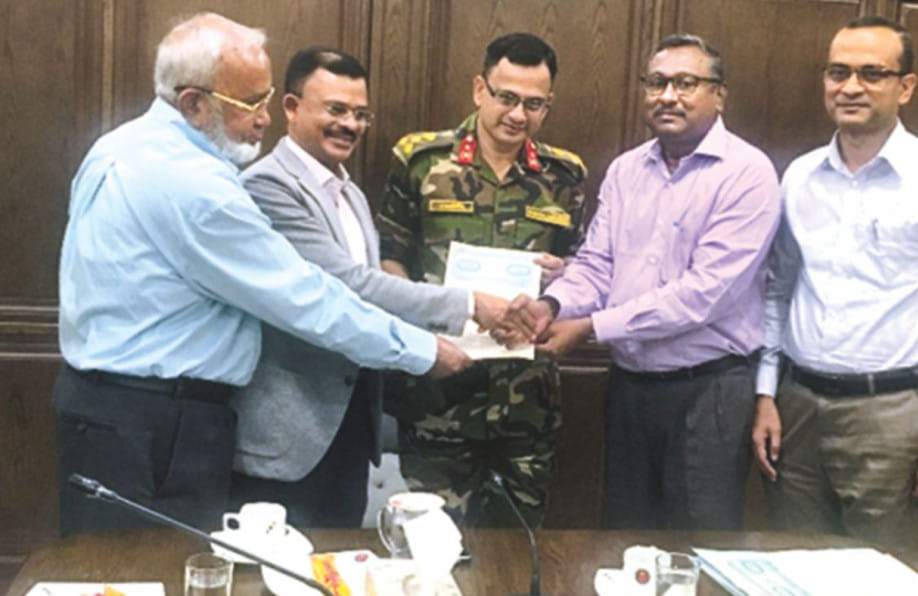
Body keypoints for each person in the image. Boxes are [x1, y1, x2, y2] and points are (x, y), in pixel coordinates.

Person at [54, 13, 471, 536]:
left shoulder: (116, 146)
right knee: (156, 568)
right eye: (250, 103)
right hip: (159, 422)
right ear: (193, 103)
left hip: (104, 407)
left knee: (108, 568)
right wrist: (421, 350)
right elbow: (304, 298)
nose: (265, 119)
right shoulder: (197, 187)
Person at [751, 16, 918, 556]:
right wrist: (766, 393)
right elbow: (777, 290)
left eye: (872, 73)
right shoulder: (799, 176)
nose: (850, 87)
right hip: (797, 409)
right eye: (838, 72)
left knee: (881, 574)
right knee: (792, 569)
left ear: (905, 86)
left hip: (892, 416)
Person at [501, 33, 780, 529]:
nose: (667, 96)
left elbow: (702, 295)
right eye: (656, 83)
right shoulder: (626, 169)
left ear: (719, 95)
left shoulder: (748, 174)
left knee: (699, 542)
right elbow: (596, 264)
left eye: (685, 83)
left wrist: (591, 326)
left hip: (709, 391)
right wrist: (553, 306)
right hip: (630, 388)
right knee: (625, 539)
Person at [228, 47, 508, 528]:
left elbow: (373, 293)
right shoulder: (268, 187)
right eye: (336, 110)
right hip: (288, 436)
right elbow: (351, 286)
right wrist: (469, 304)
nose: (350, 125)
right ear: (291, 107)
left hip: (352, 426)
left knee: (338, 560)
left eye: (361, 114)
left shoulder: (350, 193)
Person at [376, 33, 586, 528]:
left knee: (518, 547)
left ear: (548, 104)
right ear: (479, 89)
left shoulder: (564, 175)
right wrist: (421, 332)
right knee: (431, 547)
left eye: (534, 104)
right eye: (506, 97)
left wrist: (566, 278)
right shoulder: (422, 160)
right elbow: (388, 261)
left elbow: (583, 265)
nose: (518, 115)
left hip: (526, 401)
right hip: (439, 395)